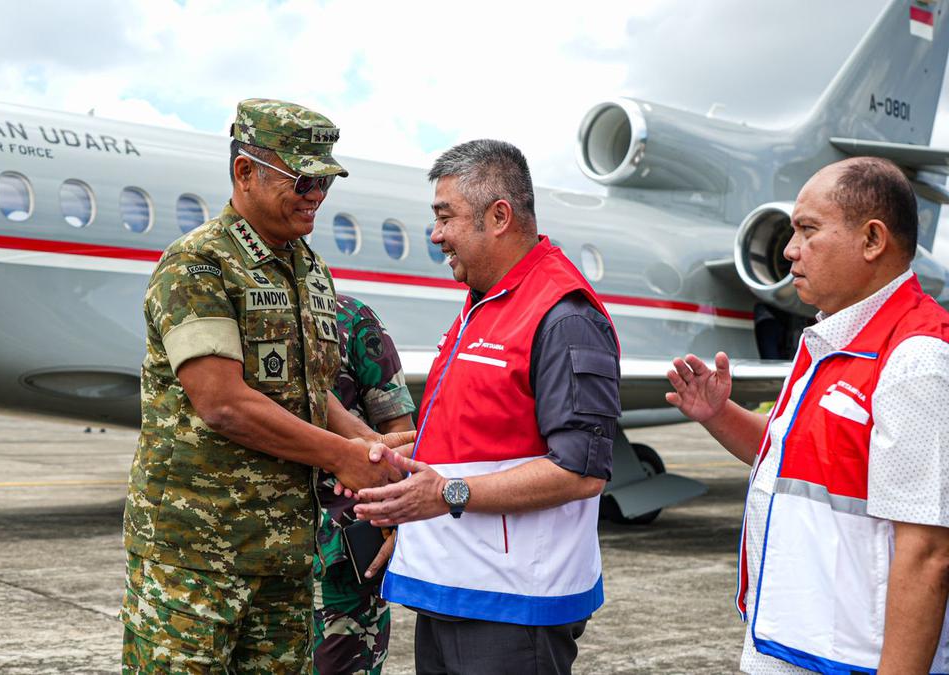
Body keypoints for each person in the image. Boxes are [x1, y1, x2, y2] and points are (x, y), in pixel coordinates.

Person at [122, 99, 404, 674]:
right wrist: (344, 456)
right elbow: (221, 402)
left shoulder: (309, 268)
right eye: (302, 179)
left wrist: (369, 448)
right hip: (196, 557)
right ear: (245, 172)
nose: (315, 195)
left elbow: (307, 389)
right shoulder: (198, 265)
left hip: (286, 558)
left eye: (324, 181)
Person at [665, 157, 949, 674]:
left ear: (872, 240)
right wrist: (718, 414)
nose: (789, 250)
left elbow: (928, 552)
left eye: (807, 230)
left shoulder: (915, 360)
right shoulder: (831, 340)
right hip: (789, 647)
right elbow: (798, 461)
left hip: (851, 662)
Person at [353, 140, 620, 675]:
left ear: (499, 217)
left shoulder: (562, 317)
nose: (436, 234)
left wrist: (447, 493)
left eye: (445, 216)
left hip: (515, 606)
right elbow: (482, 432)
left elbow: (582, 470)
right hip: (454, 589)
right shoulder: (485, 304)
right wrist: (402, 450)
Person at [313, 294, 416, 675]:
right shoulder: (244, 319)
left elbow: (398, 432)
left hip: (339, 554)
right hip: (264, 550)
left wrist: (395, 517)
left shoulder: (350, 318)